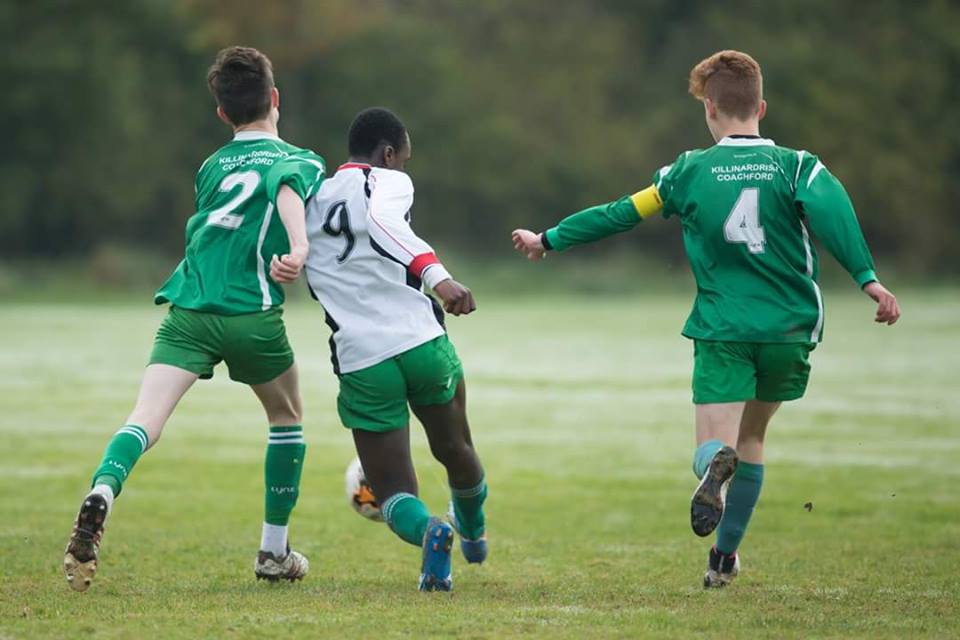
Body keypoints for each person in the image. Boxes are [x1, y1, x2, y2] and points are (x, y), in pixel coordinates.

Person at [511, 50, 900, 588]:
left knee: (716, 449)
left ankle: (712, 465)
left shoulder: (687, 172)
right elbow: (835, 213)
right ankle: (723, 559)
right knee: (754, 441)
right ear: (761, 107)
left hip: (723, 329)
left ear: (710, 109)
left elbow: (620, 213)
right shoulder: (797, 166)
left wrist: (549, 239)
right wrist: (867, 278)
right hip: (789, 329)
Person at [63, 46, 325, 591]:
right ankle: (273, 552)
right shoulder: (299, 159)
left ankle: (104, 489)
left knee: (145, 419)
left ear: (222, 113)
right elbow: (284, 187)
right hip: (251, 314)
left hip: (188, 312)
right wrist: (299, 247)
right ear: (275, 99)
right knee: (286, 417)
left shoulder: (210, 166)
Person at [272, 107, 486, 592]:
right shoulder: (387, 181)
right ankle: (473, 530)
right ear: (388, 154)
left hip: (362, 359)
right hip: (422, 343)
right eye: (404, 158)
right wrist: (438, 277)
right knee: (456, 448)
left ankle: (432, 530)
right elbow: (384, 220)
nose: (404, 167)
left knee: (392, 492)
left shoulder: (312, 195)